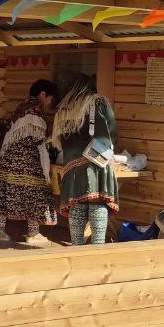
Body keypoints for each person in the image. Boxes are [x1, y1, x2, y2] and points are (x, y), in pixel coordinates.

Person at [51, 76, 119, 245]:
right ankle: (97, 247)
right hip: (98, 162)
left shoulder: (63, 110)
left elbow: (57, 142)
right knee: (97, 202)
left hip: (71, 165)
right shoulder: (99, 103)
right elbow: (113, 135)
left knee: (77, 204)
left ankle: (77, 246)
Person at [0, 79, 58, 247]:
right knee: (33, 194)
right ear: (43, 94)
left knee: (5, 194)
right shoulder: (34, 110)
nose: (49, 103)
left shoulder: (22, 107)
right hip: (27, 161)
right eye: (50, 99)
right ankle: (33, 233)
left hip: (10, 160)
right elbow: (38, 137)